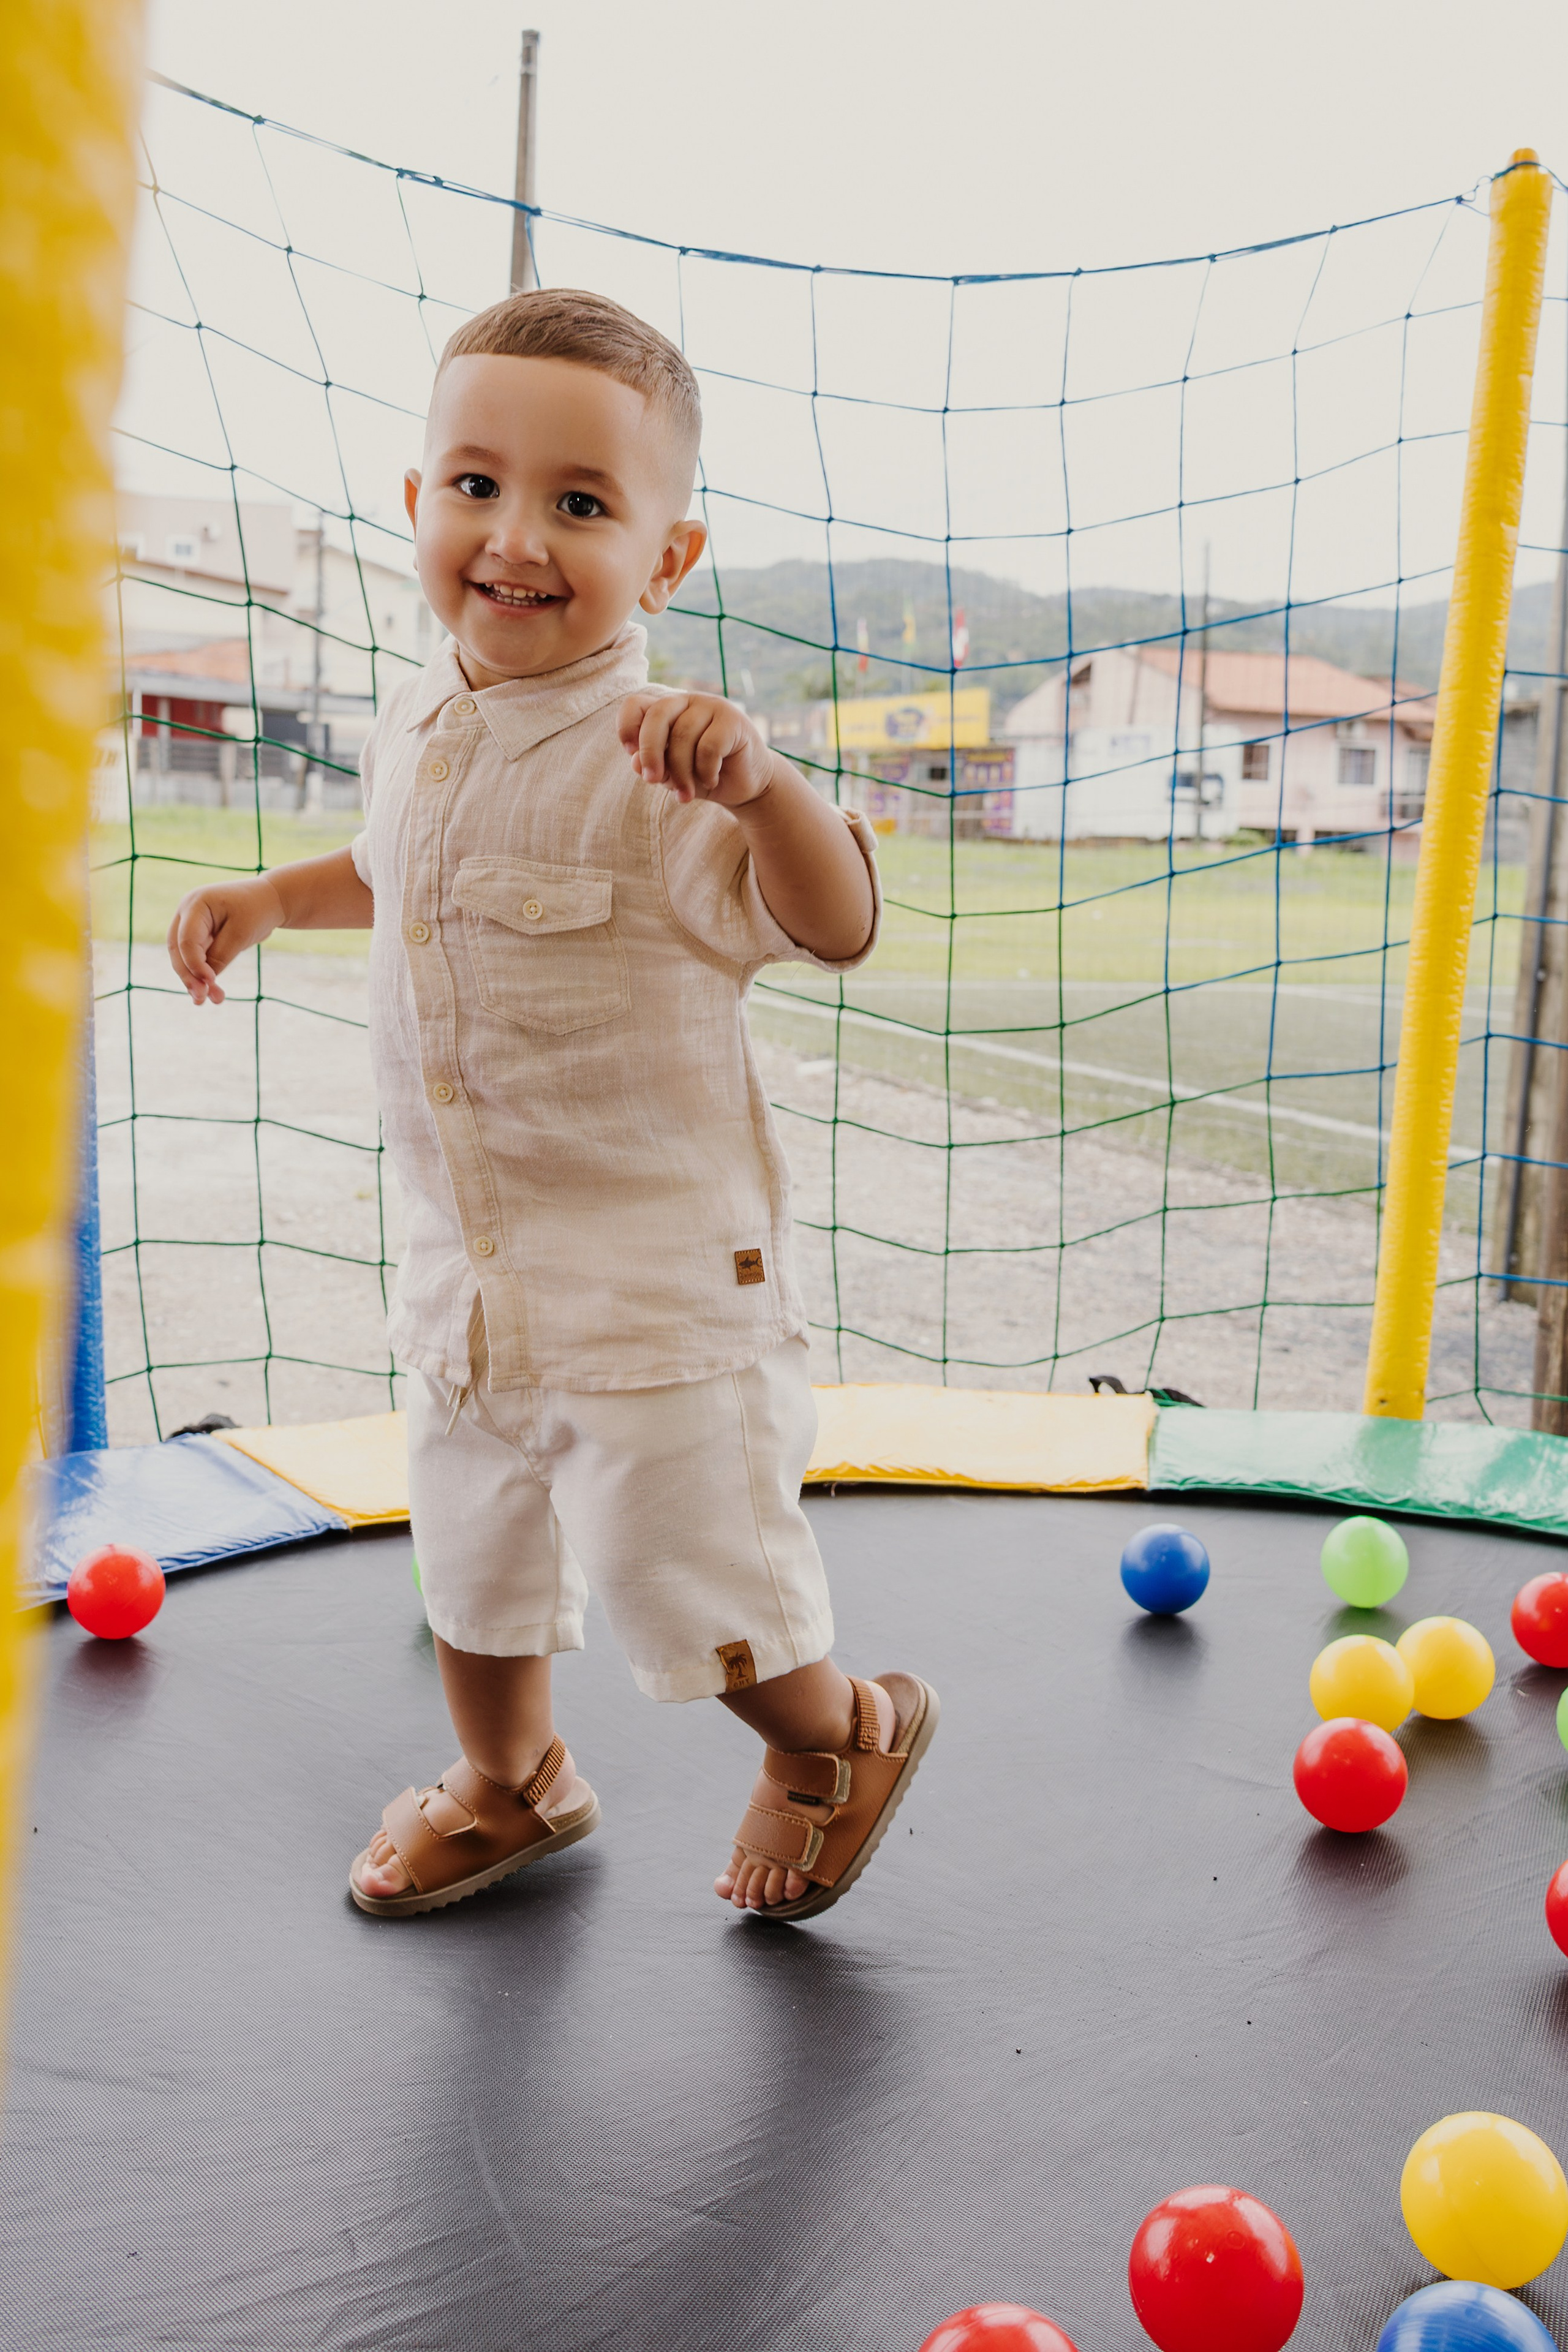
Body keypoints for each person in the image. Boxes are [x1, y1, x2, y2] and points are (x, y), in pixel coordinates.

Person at [167, 287, 938, 1923]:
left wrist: (768, 782)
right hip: (470, 1278)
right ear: (417, 502)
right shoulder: (423, 718)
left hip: (653, 1297)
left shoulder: (671, 759)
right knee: (473, 1554)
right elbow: (389, 872)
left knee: (693, 1578)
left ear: (666, 558)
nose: (516, 537)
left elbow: (836, 922)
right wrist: (263, 897)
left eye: (581, 504)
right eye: (476, 485)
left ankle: (835, 1736)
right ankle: (515, 1781)